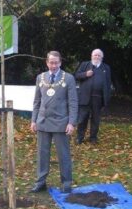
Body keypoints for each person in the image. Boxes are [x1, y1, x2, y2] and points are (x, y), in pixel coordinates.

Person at [30, 51, 78, 193]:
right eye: (51, 62)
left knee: (63, 154)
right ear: (46, 62)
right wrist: (33, 120)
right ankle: (41, 182)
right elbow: (37, 101)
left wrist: (72, 122)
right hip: (43, 122)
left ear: (60, 63)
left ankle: (66, 182)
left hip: (61, 123)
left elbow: (73, 102)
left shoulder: (68, 78)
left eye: (56, 62)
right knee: (42, 154)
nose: (53, 65)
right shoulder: (40, 78)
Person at [74, 48, 112, 144]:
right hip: (84, 97)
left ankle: (93, 138)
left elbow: (108, 83)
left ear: (102, 57)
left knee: (95, 119)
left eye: (99, 55)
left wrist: (106, 98)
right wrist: (85, 74)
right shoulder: (85, 65)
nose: (97, 57)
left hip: (98, 98)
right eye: (95, 55)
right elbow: (76, 76)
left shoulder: (106, 68)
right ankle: (79, 137)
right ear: (91, 56)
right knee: (82, 119)